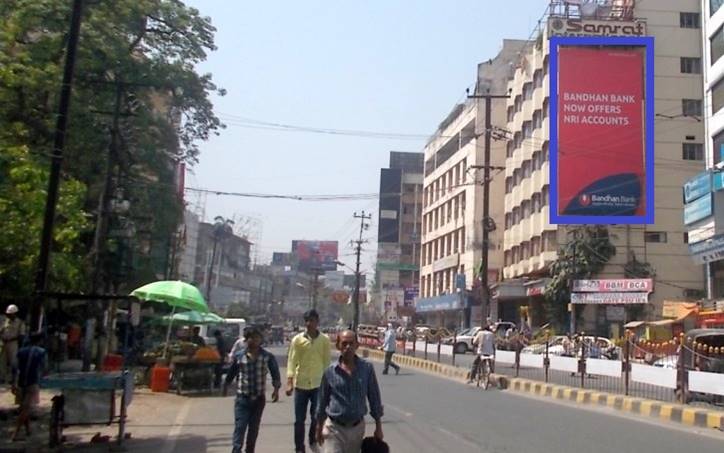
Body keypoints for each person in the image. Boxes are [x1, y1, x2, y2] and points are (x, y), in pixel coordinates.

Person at [315, 330, 384, 453]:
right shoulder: (330, 371)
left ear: (357, 345)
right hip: (334, 428)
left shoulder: (366, 369)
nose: (348, 347)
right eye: (344, 343)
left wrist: (378, 426)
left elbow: (374, 397)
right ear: (338, 346)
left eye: (351, 344)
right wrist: (319, 426)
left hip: (357, 429)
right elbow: (322, 400)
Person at [223, 327, 280, 453]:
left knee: (253, 429)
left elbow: (275, 373)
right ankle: (236, 450)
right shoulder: (239, 356)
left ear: (261, 340)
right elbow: (232, 373)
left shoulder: (267, 357)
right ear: (246, 340)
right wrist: (226, 385)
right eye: (251, 337)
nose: (254, 340)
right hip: (242, 399)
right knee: (240, 427)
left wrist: (276, 390)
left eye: (257, 338)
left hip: (258, 400)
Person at [287, 309, 331, 453]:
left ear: (317, 322)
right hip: (301, 384)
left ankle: (312, 439)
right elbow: (292, 361)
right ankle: (299, 447)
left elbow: (326, 362)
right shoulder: (297, 340)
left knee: (316, 416)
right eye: (307, 321)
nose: (309, 323)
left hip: (318, 384)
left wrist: (329, 384)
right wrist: (289, 381)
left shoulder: (324, 340)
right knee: (299, 420)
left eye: (312, 320)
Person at [11, 333, 46, 442]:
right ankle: (15, 434)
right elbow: (44, 367)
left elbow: (14, 366)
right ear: (40, 341)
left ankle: (28, 430)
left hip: (21, 382)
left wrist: (13, 382)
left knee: (23, 407)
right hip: (33, 382)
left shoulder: (21, 351)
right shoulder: (41, 352)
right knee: (25, 409)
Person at [1, 305, 25, 384]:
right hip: (4, 343)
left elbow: (21, 335)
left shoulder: (20, 322)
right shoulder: (5, 321)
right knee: (2, 361)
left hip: (13, 343)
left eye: (10, 314)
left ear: (15, 313)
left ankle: (12, 378)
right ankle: (2, 377)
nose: (8, 315)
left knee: (13, 362)